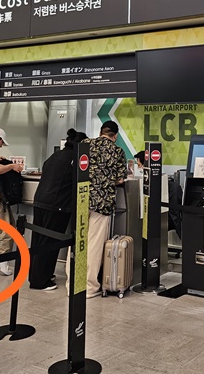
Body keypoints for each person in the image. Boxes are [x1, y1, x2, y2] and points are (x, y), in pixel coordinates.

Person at [68, 120, 128, 298]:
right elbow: (120, 179)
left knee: (77, 241)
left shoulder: (85, 143)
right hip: (101, 203)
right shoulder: (117, 151)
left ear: (101, 132)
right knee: (94, 245)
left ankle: (72, 283)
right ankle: (89, 286)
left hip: (80, 199)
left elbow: (75, 167)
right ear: (115, 136)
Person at [29, 128, 87, 291]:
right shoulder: (76, 158)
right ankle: (40, 281)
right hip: (57, 204)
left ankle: (36, 275)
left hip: (40, 200)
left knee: (38, 240)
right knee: (50, 242)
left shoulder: (55, 155)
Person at [0, 127, 23, 276]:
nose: (1, 146)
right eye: (2, 143)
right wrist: (12, 166)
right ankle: (2, 260)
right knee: (8, 228)